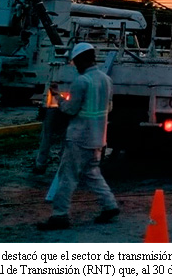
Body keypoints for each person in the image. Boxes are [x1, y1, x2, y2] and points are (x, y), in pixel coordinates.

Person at [37, 43, 119, 230]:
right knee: (92, 173)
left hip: (79, 137)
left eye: (75, 62)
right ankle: (109, 205)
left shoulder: (82, 82)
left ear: (83, 59)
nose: (75, 66)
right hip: (98, 137)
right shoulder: (106, 80)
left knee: (68, 176)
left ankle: (60, 215)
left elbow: (70, 109)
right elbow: (110, 107)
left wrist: (57, 97)